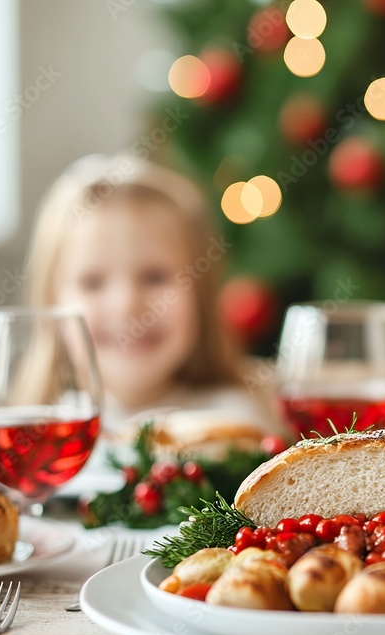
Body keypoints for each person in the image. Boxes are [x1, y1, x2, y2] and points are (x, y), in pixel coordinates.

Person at [24, 154, 276, 437]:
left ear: (200, 296)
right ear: (51, 303)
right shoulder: (34, 435)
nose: (126, 305)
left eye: (155, 277)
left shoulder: (240, 429)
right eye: (93, 282)